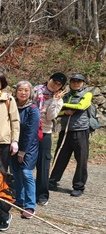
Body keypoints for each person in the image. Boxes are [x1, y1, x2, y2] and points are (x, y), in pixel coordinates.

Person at [49, 74, 92, 197]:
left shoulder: (87, 94)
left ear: (83, 83)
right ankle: (52, 181)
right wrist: (65, 111)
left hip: (81, 131)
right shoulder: (66, 95)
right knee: (60, 156)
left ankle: (79, 186)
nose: (76, 84)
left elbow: (81, 106)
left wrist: (63, 105)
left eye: (79, 81)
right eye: (73, 81)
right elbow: (58, 112)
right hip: (65, 131)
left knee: (81, 160)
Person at [33, 73, 68, 205]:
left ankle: (42, 194)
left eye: (59, 84)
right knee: (25, 164)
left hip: (44, 133)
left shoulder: (58, 100)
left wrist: (54, 101)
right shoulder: (35, 91)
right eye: (54, 81)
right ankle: (27, 191)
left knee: (43, 164)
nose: (55, 85)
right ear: (49, 79)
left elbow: (50, 116)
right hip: (29, 132)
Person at [9, 81, 40, 218]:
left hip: (29, 147)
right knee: (16, 172)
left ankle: (30, 205)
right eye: (20, 90)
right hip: (12, 145)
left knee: (26, 173)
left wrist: (23, 151)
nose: (23, 93)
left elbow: (31, 133)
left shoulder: (33, 109)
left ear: (30, 93)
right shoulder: (12, 106)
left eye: (26, 90)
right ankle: (20, 200)